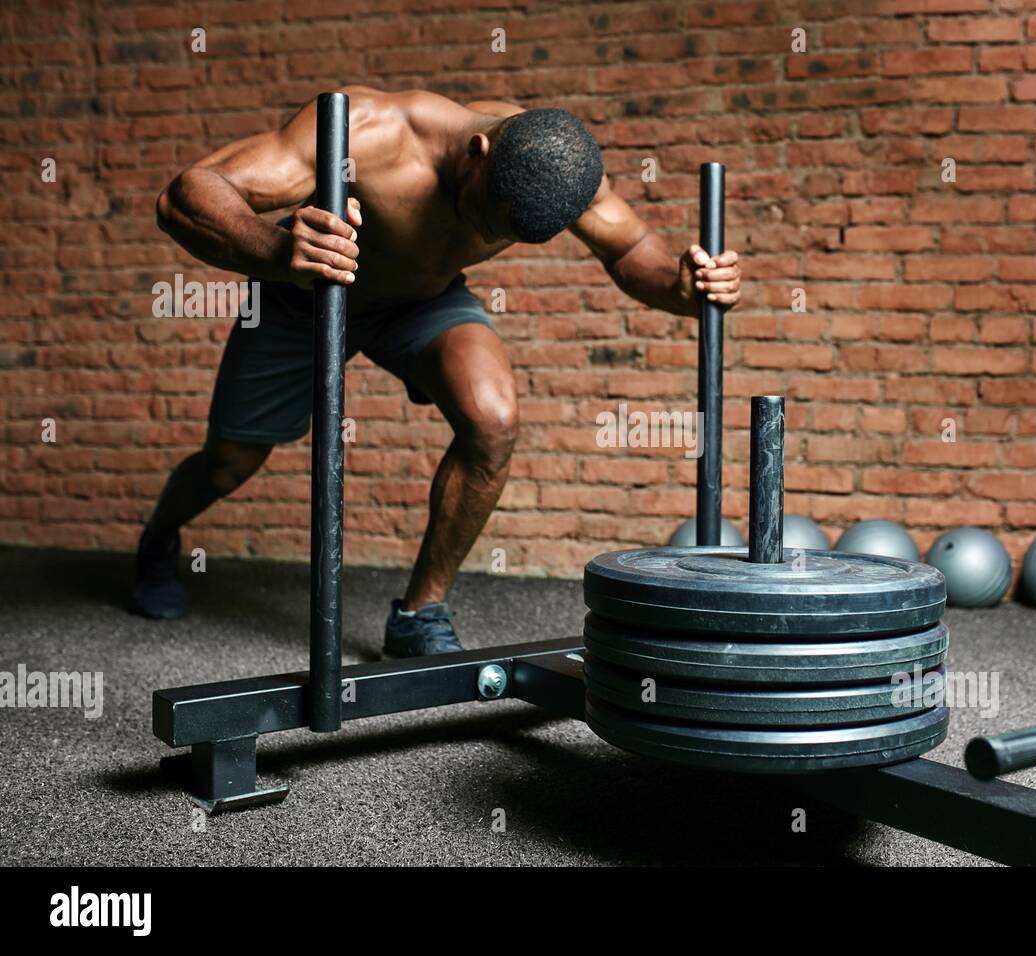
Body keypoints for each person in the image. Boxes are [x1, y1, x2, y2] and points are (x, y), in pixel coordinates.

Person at [138, 86, 743, 657]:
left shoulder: (560, 165)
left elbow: (631, 249)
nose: (484, 234)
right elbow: (187, 194)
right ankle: (160, 537)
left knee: (494, 420)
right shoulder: (369, 134)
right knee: (229, 463)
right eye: (486, 213)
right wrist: (276, 251)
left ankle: (418, 615)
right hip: (304, 293)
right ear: (480, 152)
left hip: (422, 301)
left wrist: (681, 286)